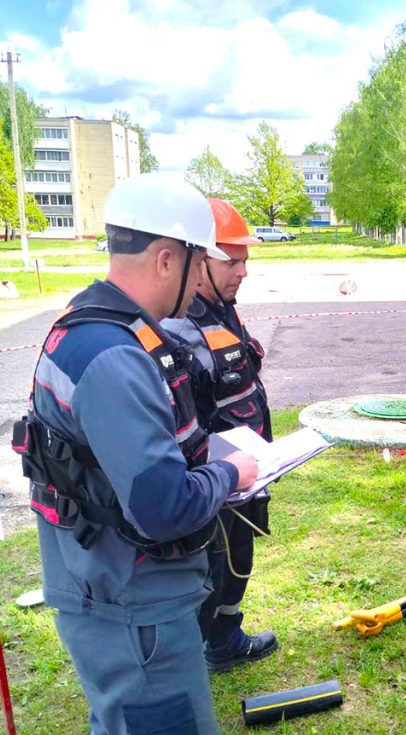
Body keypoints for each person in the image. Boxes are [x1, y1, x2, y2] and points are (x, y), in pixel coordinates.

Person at [13, 173, 259, 735]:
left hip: (97, 589)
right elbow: (162, 505)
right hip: (133, 607)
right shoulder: (117, 355)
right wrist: (235, 475)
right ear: (168, 258)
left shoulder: (88, 322)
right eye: (199, 261)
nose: (204, 277)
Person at [162, 199, 278, 673]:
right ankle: (194, 655)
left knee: (239, 557)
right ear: (198, 261)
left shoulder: (224, 311)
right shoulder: (175, 326)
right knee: (208, 568)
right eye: (231, 260)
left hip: (246, 472)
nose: (243, 270)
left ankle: (226, 638)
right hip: (213, 480)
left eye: (246, 259)